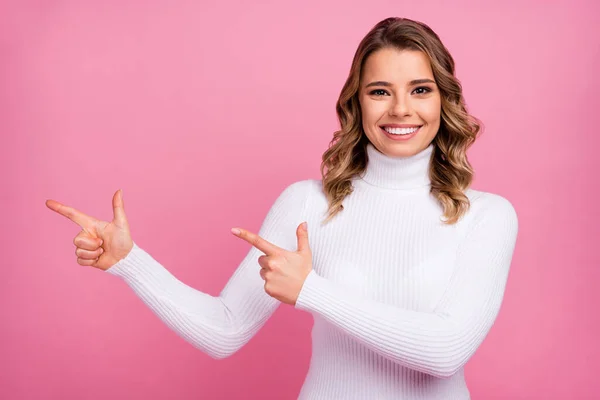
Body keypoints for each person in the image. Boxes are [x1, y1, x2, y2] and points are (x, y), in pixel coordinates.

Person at [46, 17, 518, 400]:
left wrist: (312, 291)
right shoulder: (307, 203)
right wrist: (131, 263)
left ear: (443, 99)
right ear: (357, 101)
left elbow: (445, 351)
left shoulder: (487, 216)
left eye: (420, 89)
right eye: (379, 91)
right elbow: (225, 330)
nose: (400, 108)